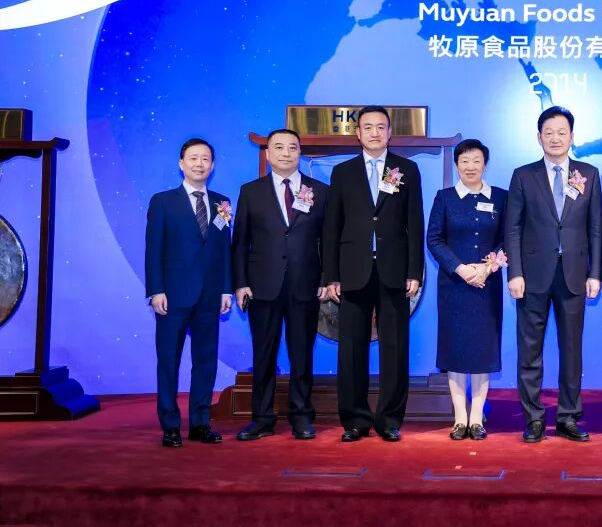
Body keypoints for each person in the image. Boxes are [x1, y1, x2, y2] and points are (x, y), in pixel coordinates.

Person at [323, 106, 424, 443]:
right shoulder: (343, 172)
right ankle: (355, 420)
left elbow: (415, 223)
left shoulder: (407, 169)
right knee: (352, 348)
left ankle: (389, 419)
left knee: (394, 348)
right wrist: (331, 275)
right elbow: (332, 226)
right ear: (358, 133)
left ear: (390, 132)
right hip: (353, 271)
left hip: (394, 270)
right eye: (368, 127)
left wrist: (414, 270)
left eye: (381, 127)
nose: (375, 133)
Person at [505, 106, 602, 443]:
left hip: (574, 275)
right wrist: (514, 272)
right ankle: (533, 418)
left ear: (572, 136)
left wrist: (595, 273)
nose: (555, 138)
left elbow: (596, 228)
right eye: (549, 132)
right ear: (539, 137)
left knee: (571, 350)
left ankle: (568, 417)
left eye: (562, 132)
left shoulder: (589, 173)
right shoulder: (523, 175)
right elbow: (513, 228)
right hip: (532, 275)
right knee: (529, 350)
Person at [232, 129, 328, 441]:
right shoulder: (251, 191)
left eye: (292, 148)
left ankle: (301, 417)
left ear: (300, 152)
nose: (286, 153)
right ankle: (261, 419)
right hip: (262, 286)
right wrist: (240, 283)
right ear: (268, 154)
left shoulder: (320, 191)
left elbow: (328, 241)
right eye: (279, 148)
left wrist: (326, 278)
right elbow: (240, 242)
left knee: (302, 355)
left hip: (305, 285)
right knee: (264, 355)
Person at [145, 138, 233, 448]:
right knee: (168, 361)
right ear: (181, 164)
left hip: (210, 296)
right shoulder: (163, 202)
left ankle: (200, 423)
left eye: (205, 159)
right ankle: (170, 425)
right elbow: (153, 250)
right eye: (193, 158)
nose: (199, 163)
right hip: (172, 296)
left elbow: (224, 250)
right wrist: (156, 290)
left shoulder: (222, 203)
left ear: (213, 165)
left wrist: (226, 289)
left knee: (206, 361)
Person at [426, 139, 506, 440]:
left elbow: (507, 238)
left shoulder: (501, 197)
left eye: (476, 161)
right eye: (464, 161)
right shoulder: (444, 197)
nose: (470, 167)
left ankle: (477, 417)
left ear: (485, 164)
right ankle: (460, 418)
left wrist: (487, 268)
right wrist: (461, 269)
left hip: (487, 286)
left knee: (483, 352)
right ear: (457, 165)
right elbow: (434, 239)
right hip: (454, 286)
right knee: (456, 350)